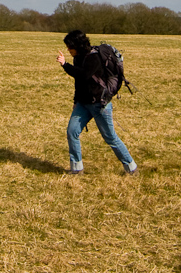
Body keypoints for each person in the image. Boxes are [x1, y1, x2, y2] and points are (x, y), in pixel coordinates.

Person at [56, 29, 138, 175]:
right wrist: (76, 101)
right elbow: (78, 82)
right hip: (83, 104)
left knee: (110, 138)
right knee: (72, 132)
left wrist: (65, 65)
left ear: (78, 46)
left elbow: (84, 75)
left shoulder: (94, 58)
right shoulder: (78, 57)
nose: (68, 50)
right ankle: (76, 169)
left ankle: (131, 167)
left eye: (70, 47)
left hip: (99, 104)